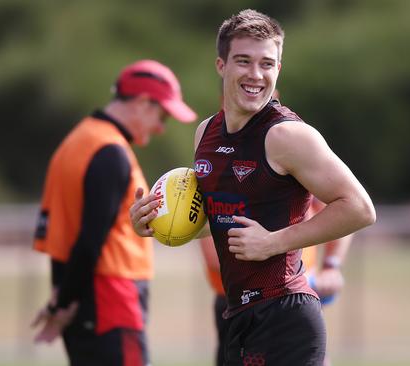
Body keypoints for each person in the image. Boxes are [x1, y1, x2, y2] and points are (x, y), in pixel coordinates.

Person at [131, 9, 375, 365]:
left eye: (267, 64)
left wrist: (275, 241)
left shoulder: (287, 136)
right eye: (243, 61)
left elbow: (359, 208)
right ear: (221, 65)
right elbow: (222, 219)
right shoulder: (206, 134)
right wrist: (158, 222)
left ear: (279, 68)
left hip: (286, 314)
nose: (256, 74)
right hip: (238, 317)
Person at [31, 59, 197, 366]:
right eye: (162, 116)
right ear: (143, 103)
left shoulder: (77, 141)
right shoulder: (111, 152)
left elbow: (60, 231)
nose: (161, 128)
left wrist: (62, 298)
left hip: (87, 302)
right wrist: (64, 301)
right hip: (112, 302)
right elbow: (90, 240)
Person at [199, 198, 352, 366]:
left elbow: (346, 204)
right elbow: (215, 259)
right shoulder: (216, 176)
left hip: (294, 300)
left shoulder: (298, 172)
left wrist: (331, 265)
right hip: (239, 306)